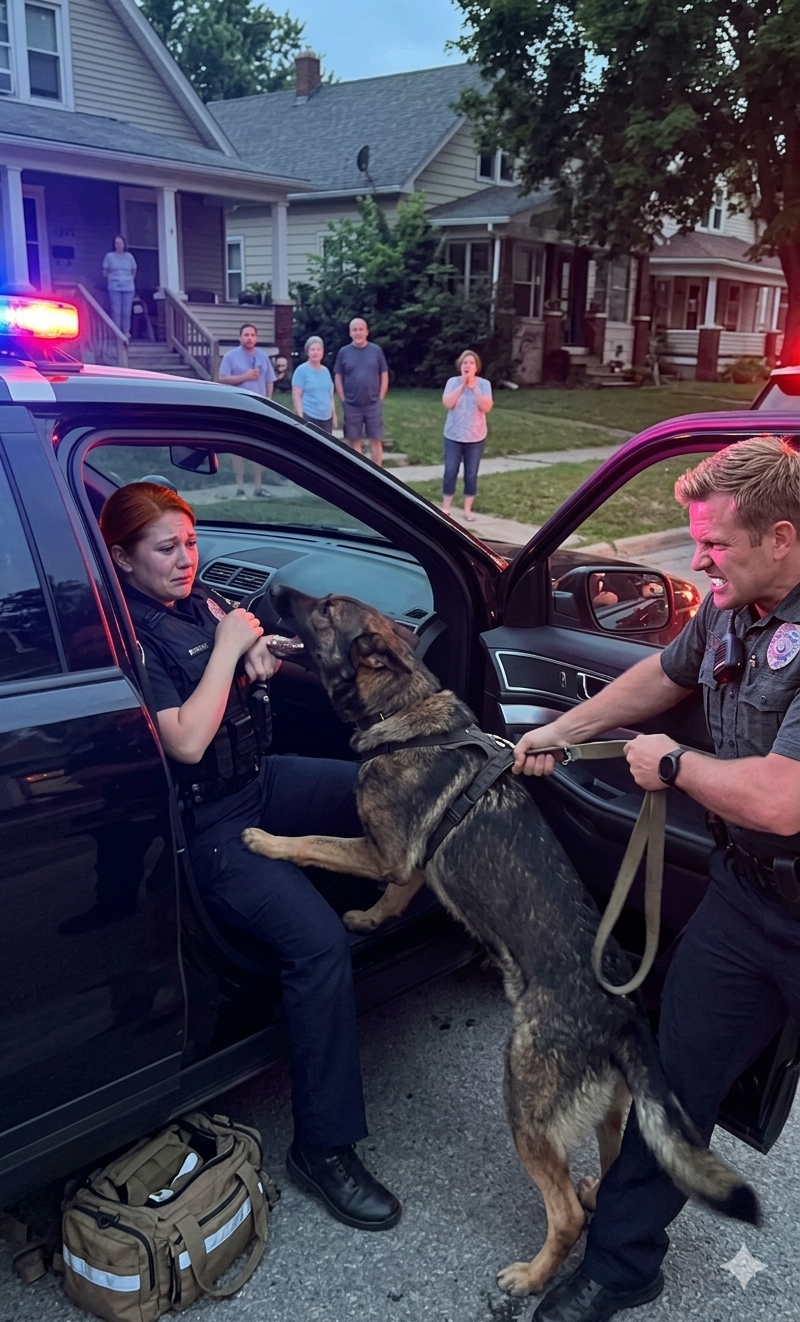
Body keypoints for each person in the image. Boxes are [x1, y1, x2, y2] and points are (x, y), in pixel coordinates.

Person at [514, 435, 800, 1322]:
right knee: (672, 1083)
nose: (698, 559)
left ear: (782, 538)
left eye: (715, 544)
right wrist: (562, 731)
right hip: (752, 897)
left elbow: (786, 799)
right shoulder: (731, 607)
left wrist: (673, 767)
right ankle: (623, 1264)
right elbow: (659, 675)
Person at [100, 481, 401, 1233]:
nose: (185, 559)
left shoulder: (195, 604)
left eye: (191, 542)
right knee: (318, 946)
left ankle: (406, 916)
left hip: (262, 782)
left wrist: (253, 653)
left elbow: (225, 679)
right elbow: (185, 739)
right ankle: (325, 1149)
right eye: (165, 549)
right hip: (212, 827)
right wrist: (232, 649)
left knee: (383, 790)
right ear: (120, 558)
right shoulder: (128, 632)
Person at [219, 325, 277, 498]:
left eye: (252, 335)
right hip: (238, 409)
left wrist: (268, 400)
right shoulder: (230, 356)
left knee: (258, 447)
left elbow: (269, 380)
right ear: (240, 337)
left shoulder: (262, 356)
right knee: (239, 448)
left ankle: (258, 487)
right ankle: (240, 487)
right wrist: (244, 377)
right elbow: (222, 379)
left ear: (256, 338)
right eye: (246, 335)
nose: (249, 338)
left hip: (259, 408)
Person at [441, 350, 493, 523]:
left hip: (476, 437)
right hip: (453, 435)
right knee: (450, 471)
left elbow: (486, 407)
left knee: (471, 474)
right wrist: (462, 386)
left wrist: (474, 387)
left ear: (476, 367)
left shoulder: (484, 384)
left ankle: (467, 510)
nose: (467, 366)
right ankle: (446, 508)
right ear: (460, 366)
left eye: (471, 363)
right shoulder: (452, 382)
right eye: (464, 363)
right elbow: (448, 403)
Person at [334, 317, 388, 467]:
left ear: (367, 332)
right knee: (354, 440)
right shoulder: (343, 352)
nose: (358, 333)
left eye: (360, 329)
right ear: (350, 333)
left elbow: (384, 374)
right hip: (351, 405)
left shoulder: (376, 350)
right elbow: (338, 377)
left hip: (373, 404)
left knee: (376, 439)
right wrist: (343, 400)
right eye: (354, 330)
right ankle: (362, 473)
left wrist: (380, 398)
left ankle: (378, 475)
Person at [292, 336, 337, 434]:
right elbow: (296, 396)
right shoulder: (301, 370)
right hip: (309, 417)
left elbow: (330, 396)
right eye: (312, 349)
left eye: (318, 349)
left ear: (322, 352)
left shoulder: (326, 371)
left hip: (326, 418)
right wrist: (301, 418)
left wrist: (334, 416)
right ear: (307, 352)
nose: (315, 352)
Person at [102, 235, 137, 340]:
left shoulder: (129, 257)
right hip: (114, 287)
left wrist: (129, 279)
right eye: (117, 243)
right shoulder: (109, 256)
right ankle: (116, 333)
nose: (119, 245)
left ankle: (126, 332)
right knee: (116, 311)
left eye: (120, 243)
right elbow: (105, 270)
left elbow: (134, 270)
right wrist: (110, 278)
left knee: (126, 311)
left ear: (124, 244)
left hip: (128, 287)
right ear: (114, 245)